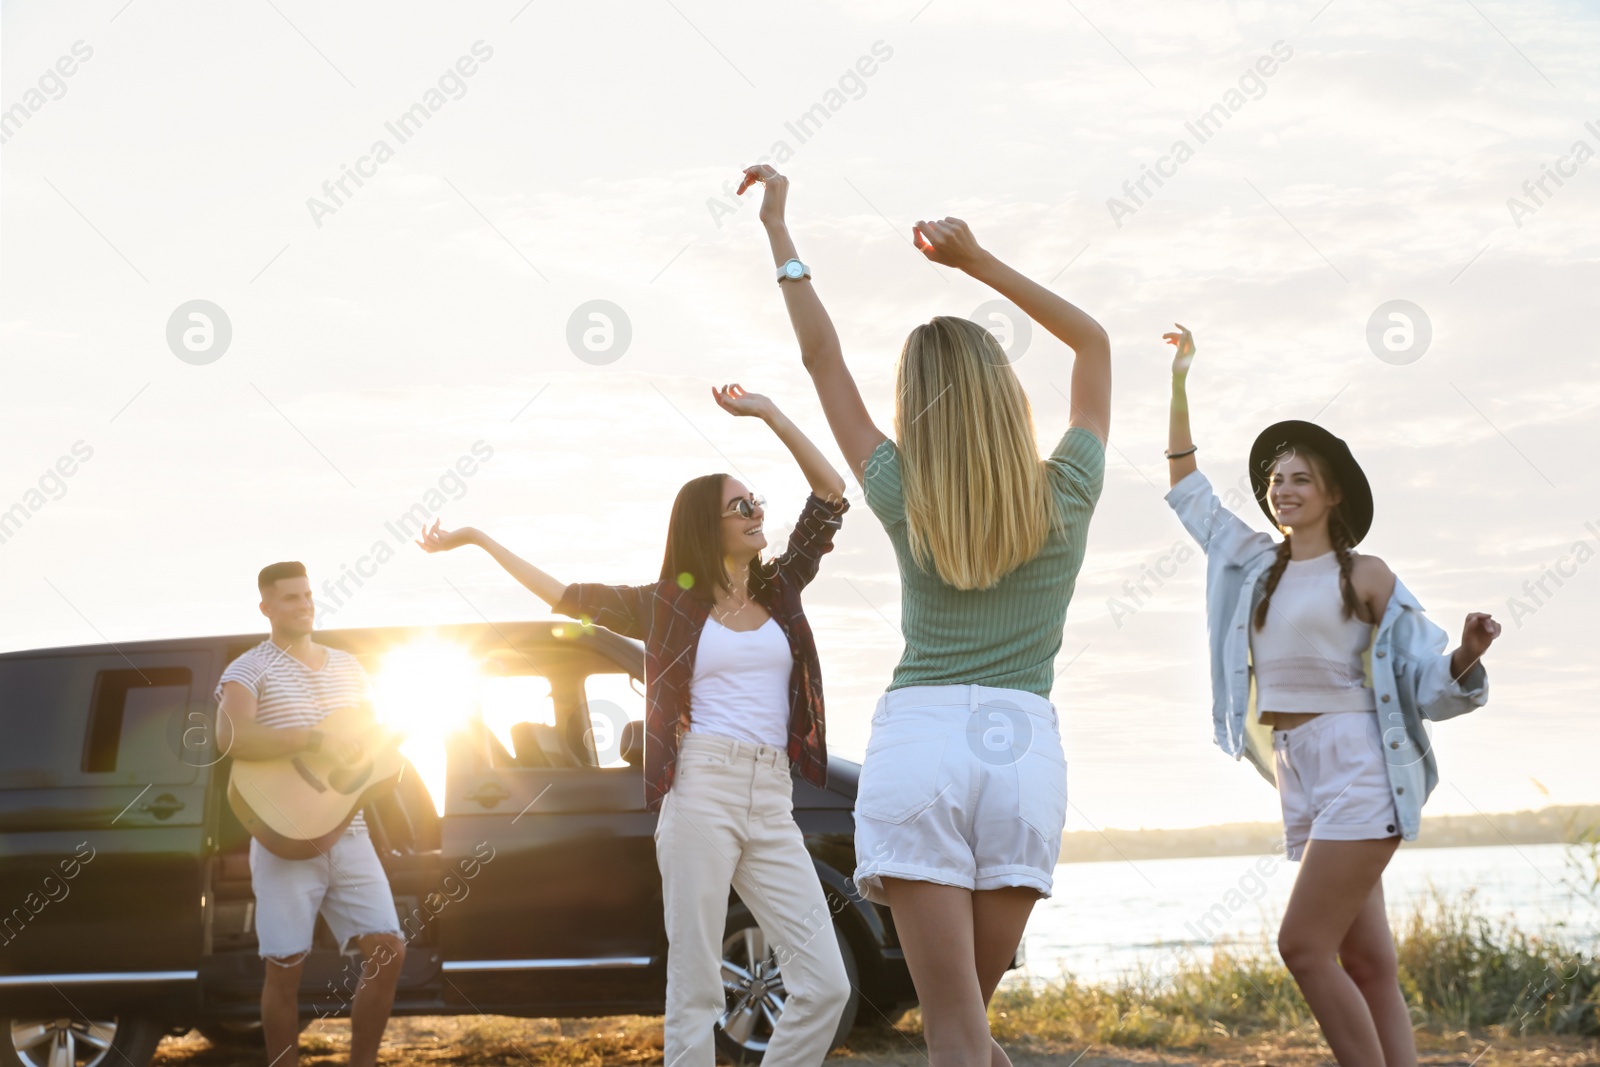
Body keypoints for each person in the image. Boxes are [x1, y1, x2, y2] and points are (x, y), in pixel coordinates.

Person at [738, 163, 1111, 1067]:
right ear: (1002, 395)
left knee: (954, 1036)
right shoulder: (1067, 487)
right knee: (969, 1031)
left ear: (921, 405)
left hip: (921, 743)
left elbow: (820, 360)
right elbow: (1094, 345)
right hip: (1021, 750)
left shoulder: (902, 487)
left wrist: (780, 233)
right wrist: (977, 262)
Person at [417, 384, 852, 1067]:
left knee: (825, 983)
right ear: (705, 526)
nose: (756, 510)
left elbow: (830, 495)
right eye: (740, 505)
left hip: (772, 798)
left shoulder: (779, 588)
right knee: (696, 986)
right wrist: (474, 537)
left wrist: (768, 414)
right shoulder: (664, 606)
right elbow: (566, 596)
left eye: (756, 500)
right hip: (702, 788)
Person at [1160, 324, 1499, 1067]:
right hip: (1296, 764)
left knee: (1303, 946)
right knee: (1367, 962)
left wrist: (1467, 654)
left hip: (1359, 763)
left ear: (1333, 492)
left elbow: (1426, 683)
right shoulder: (1252, 562)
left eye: (1300, 477)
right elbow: (1188, 490)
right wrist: (1181, 381)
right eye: (1277, 478)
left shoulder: (1366, 573)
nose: (1283, 487)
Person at [215, 561, 406, 1067]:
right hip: (283, 834)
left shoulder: (349, 667)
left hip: (350, 831)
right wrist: (314, 738)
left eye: (307, 596)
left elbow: (365, 747)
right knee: (285, 969)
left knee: (389, 951)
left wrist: (384, 764)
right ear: (266, 608)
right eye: (290, 598)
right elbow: (231, 737)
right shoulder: (248, 669)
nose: (303, 605)